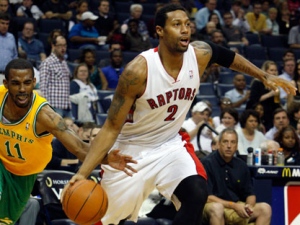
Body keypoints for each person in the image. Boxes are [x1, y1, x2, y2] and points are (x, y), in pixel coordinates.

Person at [63, 4, 295, 225]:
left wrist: (263, 76)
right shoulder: (138, 71)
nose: (185, 29)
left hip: (169, 144)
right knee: (106, 218)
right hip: (131, 151)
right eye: (177, 24)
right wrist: (83, 174)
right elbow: (111, 127)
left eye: (187, 24)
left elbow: (227, 57)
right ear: (160, 31)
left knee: (197, 192)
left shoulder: (200, 54)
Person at [0, 58, 137, 224]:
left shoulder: (45, 116)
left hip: (23, 176)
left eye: (27, 83)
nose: (22, 89)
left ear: (34, 82)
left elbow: (79, 148)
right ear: (6, 83)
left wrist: (107, 159)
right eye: (15, 83)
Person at [201, 128, 272, 225]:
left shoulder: (241, 165)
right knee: (217, 208)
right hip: (213, 206)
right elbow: (207, 197)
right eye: (225, 142)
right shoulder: (207, 163)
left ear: (236, 145)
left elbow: (250, 194)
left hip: (236, 206)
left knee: (265, 208)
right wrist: (233, 206)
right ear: (218, 144)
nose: (229, 146)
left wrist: (248, 206)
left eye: (233, 142)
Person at [39, 35, 72, 118]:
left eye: (64, 45)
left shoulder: (64, 63)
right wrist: (46, 107)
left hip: (66, 105)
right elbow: (43, 87)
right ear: (53, 46)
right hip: (54, 106)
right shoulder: (47, 63)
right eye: (60, 45)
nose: (63, 48)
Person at [246, 60, 281, 131]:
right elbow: (254, 100)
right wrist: (270, 94)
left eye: (275, 70)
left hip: (270, 115)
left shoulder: (275, 85)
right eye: (271, 70)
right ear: (265, 71)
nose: (274, 72)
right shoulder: (257, 83)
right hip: (257, 113)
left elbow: (276, 103)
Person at [0, 12, 18, 85]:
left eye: (7, 24)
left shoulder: (11, 37)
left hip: (8, 76)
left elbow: (15, 56)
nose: (5, 26)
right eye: (2, 23)